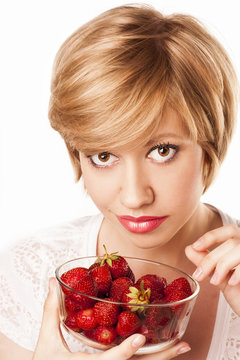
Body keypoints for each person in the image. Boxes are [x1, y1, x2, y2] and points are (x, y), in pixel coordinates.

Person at [0, 4, 240, 359]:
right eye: (103, 156)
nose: (134, 196)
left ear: (211, 142)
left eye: (162, 150)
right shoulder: (29, 272)